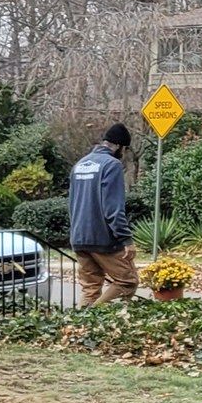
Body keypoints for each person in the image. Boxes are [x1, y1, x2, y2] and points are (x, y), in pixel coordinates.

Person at [67, 122, 138, 305]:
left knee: (90, 288)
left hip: (79, 237)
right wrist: (126, 240)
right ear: (120, 147)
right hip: (102, 238)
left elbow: (72, 203)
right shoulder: (111, 165)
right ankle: (94, 317)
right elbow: (113, 207)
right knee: (127, 282)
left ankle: (78, 329)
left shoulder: (80, 164)